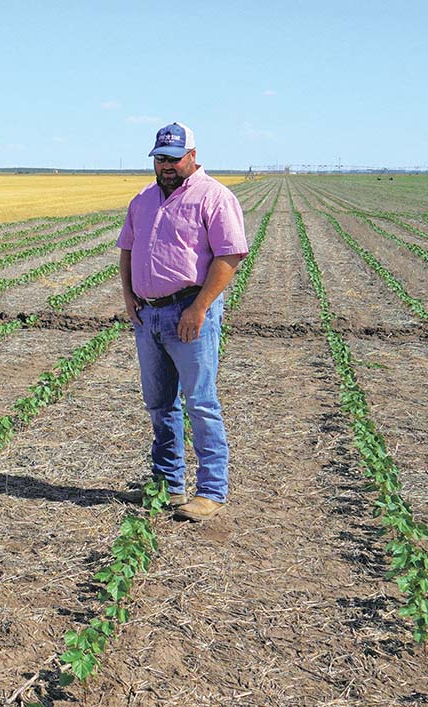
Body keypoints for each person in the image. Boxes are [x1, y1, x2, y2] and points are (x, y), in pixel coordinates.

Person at [116, 123, 248, 522]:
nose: (166, 165)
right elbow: (127, 248)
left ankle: (211, 490)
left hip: (190, 312)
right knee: (159, 403)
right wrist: (128, 296)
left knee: (201, 402)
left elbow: (230, 257)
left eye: (174, 158)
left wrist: (200, 307)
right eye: (160, 158)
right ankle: (168, 483)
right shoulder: (142, 200)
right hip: (148, 313)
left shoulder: (215, 197)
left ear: (192, 155)